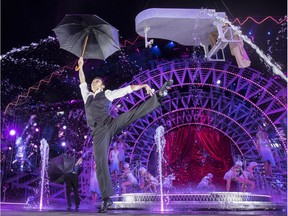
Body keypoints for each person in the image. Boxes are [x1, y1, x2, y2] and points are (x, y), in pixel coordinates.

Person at [77, 57, 173, 213]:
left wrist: (143, 85)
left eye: (97, 81)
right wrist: (81, 66)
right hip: (98, 133)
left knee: (132, 114)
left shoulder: (107, 94)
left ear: (102, 85)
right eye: (93, 81)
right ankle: (107, 199)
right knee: (100, 162)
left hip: (110, 124)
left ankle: (159, 96)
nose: (93, 83)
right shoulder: (86, 96)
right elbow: (82, 81)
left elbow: (127, 89)